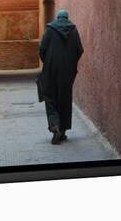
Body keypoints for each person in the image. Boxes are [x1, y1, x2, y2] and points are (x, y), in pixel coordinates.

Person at [39, 9, 84, 144]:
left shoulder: (50, 30)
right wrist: (71, 64)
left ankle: (55, 126)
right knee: (64, 99)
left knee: (50, 98)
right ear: (67, 18)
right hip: (67, 72)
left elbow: (42, 49)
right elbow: (79, 50)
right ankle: (63, 131)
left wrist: (47, 62)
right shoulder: (74, 31)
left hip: (51, 70)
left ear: (57, 18)